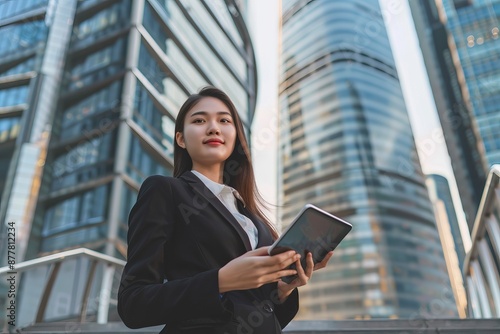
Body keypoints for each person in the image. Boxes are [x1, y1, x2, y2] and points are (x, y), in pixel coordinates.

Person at [118, 86, 333, 333]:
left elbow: (260, 314)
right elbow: (133, 304)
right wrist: (219, 281)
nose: (213, 127)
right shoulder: (164, 190)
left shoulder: (254, 219)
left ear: (235, 135)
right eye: (199, 120)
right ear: (180, 139)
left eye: (224, 120)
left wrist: (284, 288)